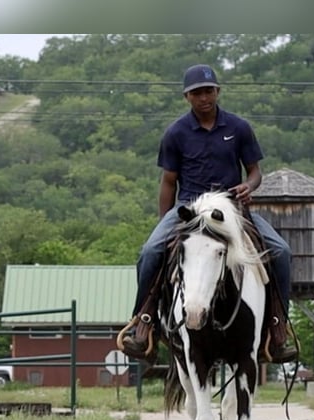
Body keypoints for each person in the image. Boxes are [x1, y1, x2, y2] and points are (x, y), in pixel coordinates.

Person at [121, 64, 297, 364]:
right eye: (197, 93)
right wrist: (167, 221)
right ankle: (143, 322)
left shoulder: (239, 128)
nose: (204, 97)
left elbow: (255, 171)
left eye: (209, 91)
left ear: (218, 91)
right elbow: (168, 181)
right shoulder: (176, 132)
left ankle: (278, 327)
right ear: (187, 97)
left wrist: (248, 185)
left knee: (281, 251)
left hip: (231, 207)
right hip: (189, 207)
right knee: (150, 252)